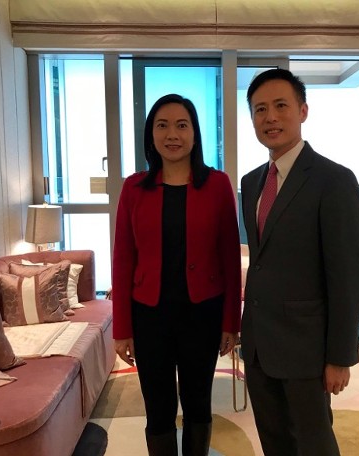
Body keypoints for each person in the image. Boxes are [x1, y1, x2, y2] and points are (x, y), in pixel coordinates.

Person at [240, 68, 359, 456]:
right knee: (274, 441)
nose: (270, 117)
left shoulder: (334, 180)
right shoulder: (251, 182)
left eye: (281, 105)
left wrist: (340, 356)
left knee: (314, 444)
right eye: (260, 109)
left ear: (303, 111)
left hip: (306, 348)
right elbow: (261, 262)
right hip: (259, 345)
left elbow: (347, 275)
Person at [111, 94, 242, 456]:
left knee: (198, 402)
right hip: (149, 315)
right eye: (162, 125)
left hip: (203, 313)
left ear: (195, 134)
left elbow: (230, 258)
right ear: (150, 134)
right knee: (158, 406)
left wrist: (231, 322)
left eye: (182, 125)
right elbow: (122, 260)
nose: (172, 134)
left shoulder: (217, 185)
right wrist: (121, 329)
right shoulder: (133, 188)